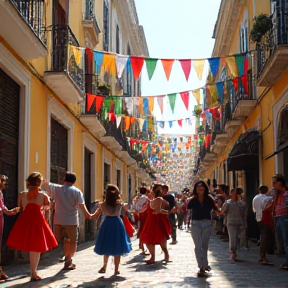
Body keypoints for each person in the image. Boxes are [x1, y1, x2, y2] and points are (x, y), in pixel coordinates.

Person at [6, 172, 58, 281]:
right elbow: (49, 206)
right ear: (39, 183)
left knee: (30, 246)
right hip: (38, 221)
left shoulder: (22, 194)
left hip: (25, 221)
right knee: (36, 247)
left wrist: (11, 212)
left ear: (28, 182)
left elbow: (20, 208)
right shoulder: (43, 195)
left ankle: (33, 271)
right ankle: (34, 272)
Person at [41, 171, 91, 270]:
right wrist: (89, 215)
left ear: (64, 179)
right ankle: (69, 260)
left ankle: (67, 259)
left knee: (64, 241)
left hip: (58, 220)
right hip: (71, 221)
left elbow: (45, 184)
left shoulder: (56, 188)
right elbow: (82, 207)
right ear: (74, 181)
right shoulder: (77, 192)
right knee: (72, 241)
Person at [92, 184, 131, 275]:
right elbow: (125, 214)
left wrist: (90, 216)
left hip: (107, 224)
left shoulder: (102, 205)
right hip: (117, 224)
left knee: (106, 245)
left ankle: (104, 266)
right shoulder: (120, 205)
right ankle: (116, 269)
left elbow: (96, 215)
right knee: (118, 246)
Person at [187, 180, 221, 275]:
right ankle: (201, 266)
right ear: (195, 189)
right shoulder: (193, 200)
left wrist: (220, 212)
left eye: (201, 187)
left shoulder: (209, 199)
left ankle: (205, 264)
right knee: (198, 245)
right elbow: (188, 207)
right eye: (198, 187)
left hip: (207, 223)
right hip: (195, 224)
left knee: (204, 245)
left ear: (205, 188)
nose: (200, 188)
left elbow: (215, 208)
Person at [139, 183, 171, 264]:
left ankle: (166, 255)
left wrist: (164, 212)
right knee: (149, 239)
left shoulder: (158, 199)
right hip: (150, 221)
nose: (149, 192)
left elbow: (158, 210)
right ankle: (153, 257)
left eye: (151, 190)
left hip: (157, 222)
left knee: (161, 240)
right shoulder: (151, 200)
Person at [0, 174, 19, 282]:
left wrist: (10, 211)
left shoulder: (1, 193)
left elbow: (3, 207)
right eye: (4, 182)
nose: (6, 185)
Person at [221, 188, 248, 262]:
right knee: (232, 238)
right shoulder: (228, 203)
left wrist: (245, 223)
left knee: (242, 237)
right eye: (234, 193)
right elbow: (223, 211)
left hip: (240, 222)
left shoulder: (242, 203)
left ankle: (240, 248)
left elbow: (245, 214)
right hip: (231, 222)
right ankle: (233, 253)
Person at [252, 185, 273, 265]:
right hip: (265, 218)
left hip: (258, 217)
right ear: (266, 190)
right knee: (265, 237)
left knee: (263, 236)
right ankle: (262, 256)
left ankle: (263, 255)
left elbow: (254, 209)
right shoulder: (267, 198)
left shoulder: (255, 198)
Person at [273, 176, 288, 270]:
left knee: (286, 240)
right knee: (280, 239)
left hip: (284, 217)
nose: (273, 185)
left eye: (275, 183)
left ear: (280, 183)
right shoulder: (277, 194)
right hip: (278, 218)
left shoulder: (286, 194)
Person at [133, 186, 150, 254]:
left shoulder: (136, 198)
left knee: (140, 229)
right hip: (144, 215)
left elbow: (134, 206)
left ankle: (141, 244)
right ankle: (142, 246)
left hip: (137, 215)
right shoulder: (145, 198)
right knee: (144, 230)